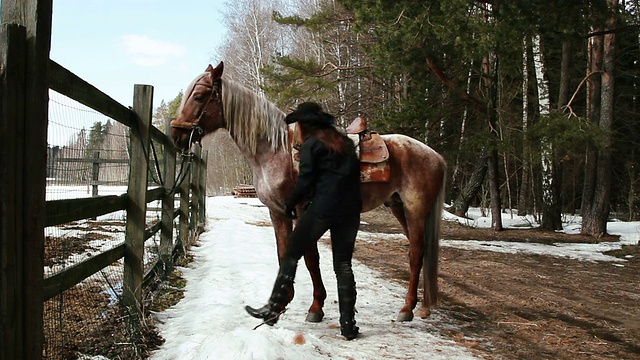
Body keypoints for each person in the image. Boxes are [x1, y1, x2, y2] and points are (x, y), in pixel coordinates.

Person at [245, 102, 362, 340]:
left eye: (298, 123)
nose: (296, 128)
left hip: (322, 210)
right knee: (343, 265)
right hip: (350, 212)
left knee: (291, 253)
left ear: (305, 125)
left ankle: (273, 308)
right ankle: (348, 325)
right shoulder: (346, 144)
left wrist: (289, 204)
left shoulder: (311, 145)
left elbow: (305, 183)